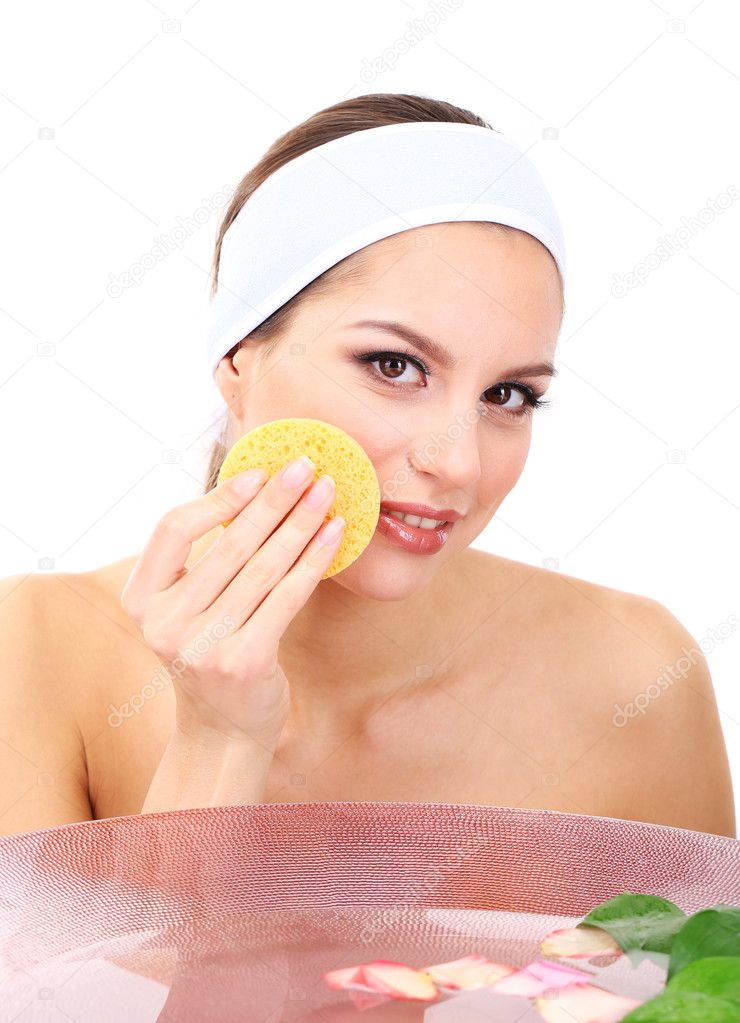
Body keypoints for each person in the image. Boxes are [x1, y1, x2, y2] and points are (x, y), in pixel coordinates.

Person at [0, 93, 734, 838]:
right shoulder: (34, 650)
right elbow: (87, 962)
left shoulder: (635, 675)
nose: (456, 461)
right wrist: (219, 741)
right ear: (236, 363)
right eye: (394, 365)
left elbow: (705, 958)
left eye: (508, 394)